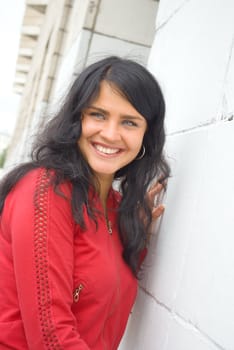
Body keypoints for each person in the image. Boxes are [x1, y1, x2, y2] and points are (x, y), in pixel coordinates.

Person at [0, 56, 170, 349]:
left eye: (129, 122)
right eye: (98, 115)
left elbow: (102, 300)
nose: (110, 134)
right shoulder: (46, 191)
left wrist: (135, 237)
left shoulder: (118, 210)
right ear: (76, 119)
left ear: (146, 136)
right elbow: (51, 336)